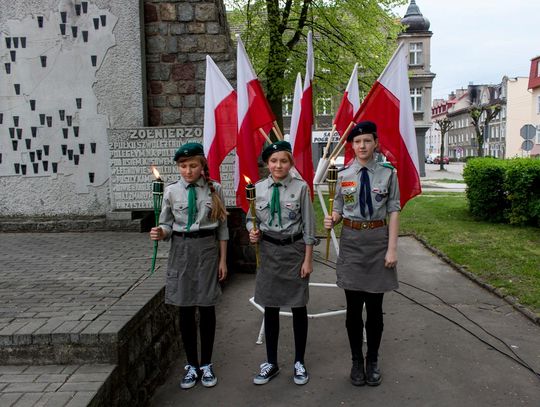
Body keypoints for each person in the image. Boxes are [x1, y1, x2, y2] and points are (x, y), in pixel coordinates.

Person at [324, 121, 400, 387]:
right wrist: (332, 218)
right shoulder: (344, 174)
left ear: (375, 142)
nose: (362, 146)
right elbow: (339, 206)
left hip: (378, 241)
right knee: (354, 309)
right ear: (352, 145)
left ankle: (373, 359)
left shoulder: (388, 173)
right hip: (352, 242)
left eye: (367, 141)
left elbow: (393, 210)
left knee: (375, 309)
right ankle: (357, 360)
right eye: (357, 142)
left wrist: (392, 248)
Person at [150, 142, 228, 389]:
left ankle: (206, 363)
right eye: (183, 166)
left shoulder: (215, 189)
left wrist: (223, 260)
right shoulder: (172, 191)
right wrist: (160, 233)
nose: (188, 170)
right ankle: (192, 364)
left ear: (202, 164)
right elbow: (166, 223)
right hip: (181, 251)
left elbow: (223, 229)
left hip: (206, 250)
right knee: (184, 308)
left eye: (193, 165)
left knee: (206, 308)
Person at [247, 141, 316, 386]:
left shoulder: (301, 188)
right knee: (271, 307)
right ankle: (272, 362)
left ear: (291, 163)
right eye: (274, 161)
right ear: (267, 164)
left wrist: (308, 260)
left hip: (294, 251)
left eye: (283, 161)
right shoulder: (258, 189)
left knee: (298, 306)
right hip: (268, 252)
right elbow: (251, 219)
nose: (278, 165)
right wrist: (251, 232)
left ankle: (299, 361)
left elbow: (309, 226)